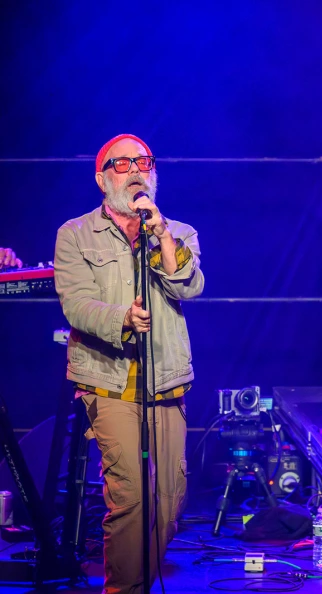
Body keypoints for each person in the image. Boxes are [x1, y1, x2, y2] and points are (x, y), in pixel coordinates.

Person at [54, 134, 204, 594]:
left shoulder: (178, 232)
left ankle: (137, 580)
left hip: (166, 379)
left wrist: (160, 234)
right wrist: (122, 318)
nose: (137, 169)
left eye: (144, 161)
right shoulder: (75, 234)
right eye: (123, 163)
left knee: (168, 503)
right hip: (109, 381)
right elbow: (76, 305)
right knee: (131, 496)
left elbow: (189, 286)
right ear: (102, 178)